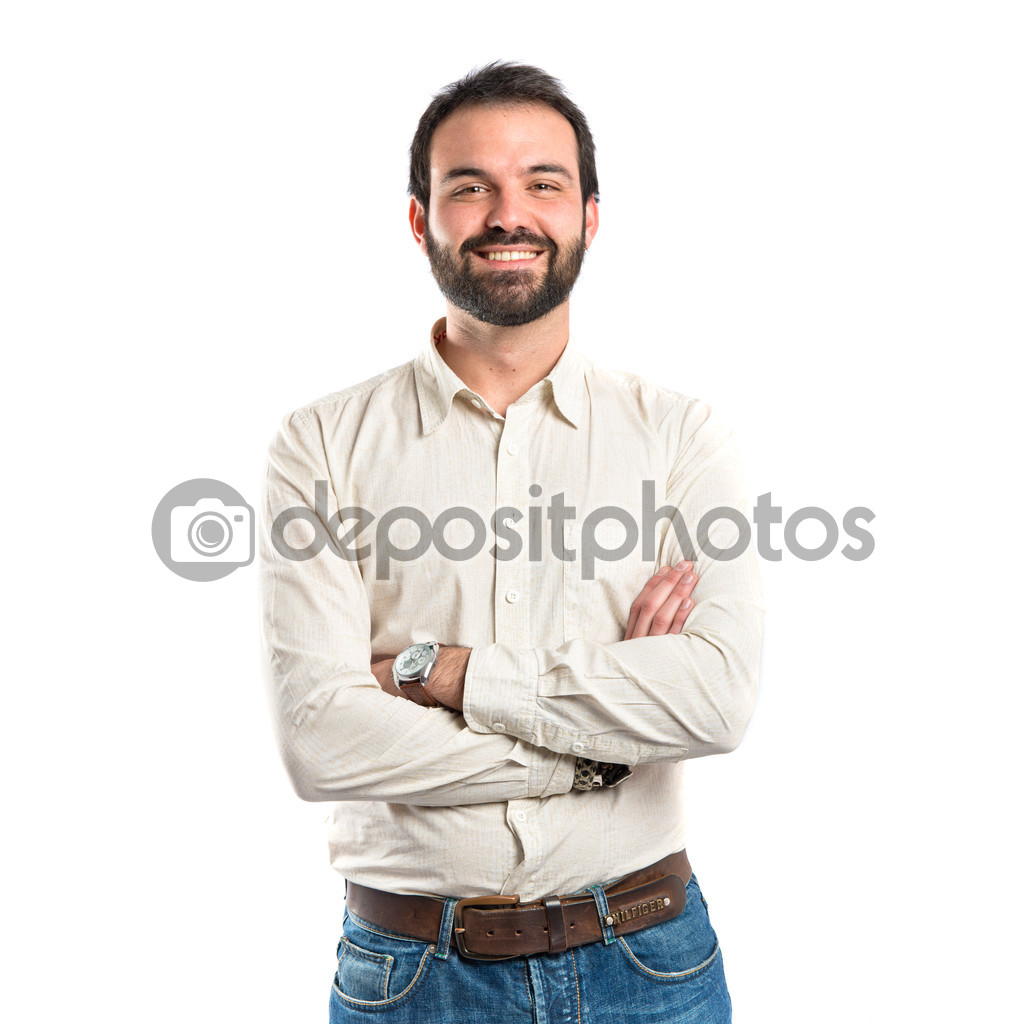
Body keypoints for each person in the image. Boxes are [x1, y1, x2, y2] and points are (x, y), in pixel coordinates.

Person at [260, 62, 764, 1023]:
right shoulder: (320, 444)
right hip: (413, 979)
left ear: (589, 217)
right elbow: (320, 739)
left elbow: (717, 699)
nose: (508, 213)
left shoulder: (684, 436)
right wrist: (594, 746)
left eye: (542, 183)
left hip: (652, 969)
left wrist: (445, 674)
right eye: (470, 186)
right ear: (422, 221)